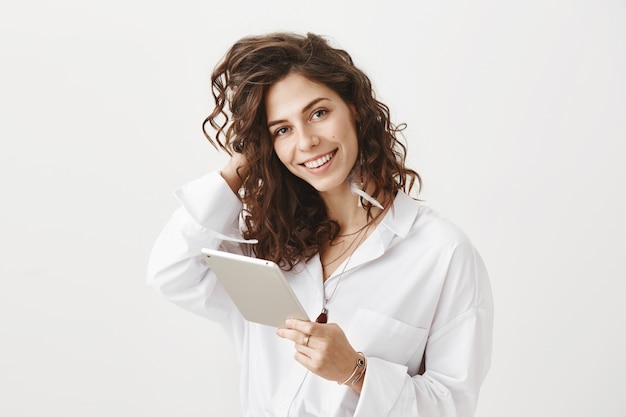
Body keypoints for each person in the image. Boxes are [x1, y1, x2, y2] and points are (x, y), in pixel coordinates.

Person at [147, 32, 493, 417]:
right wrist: (242, 162)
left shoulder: (442, 253)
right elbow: (172, 272)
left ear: (355, 109)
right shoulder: (267, 244)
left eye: (318, 113)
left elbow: (453, 405)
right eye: (282, 129)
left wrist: (356, 372)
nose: (307, 141)